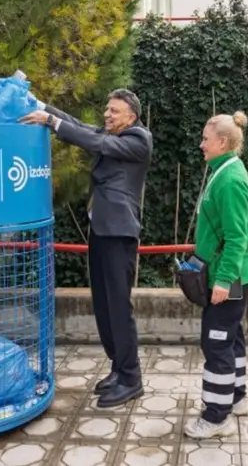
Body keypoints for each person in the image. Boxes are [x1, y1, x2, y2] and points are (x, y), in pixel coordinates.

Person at [19, 89, 153, 408]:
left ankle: (132, 378)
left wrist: (51, 122)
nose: (107, 115)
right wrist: (41, 106)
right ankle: (118, 369)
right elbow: (81, 126)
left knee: (119, 307)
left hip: (119, 233)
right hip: (101, 230)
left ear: (131, 116)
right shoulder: (114, 132)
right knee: (104, 306)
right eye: (106, 109)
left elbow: (98, 142)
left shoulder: (138, 139)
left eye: (115, 111)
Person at [184, 110, 248, 439]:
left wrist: (224, 281)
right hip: (228, 275)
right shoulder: (223, 171)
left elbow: (237, 238)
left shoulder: (230, 179)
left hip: (228, 277)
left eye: (205, 139)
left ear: (223, 142)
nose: (201, 144)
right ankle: (236, 397)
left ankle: (216, 417)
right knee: (231, 338)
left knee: (216, 344)